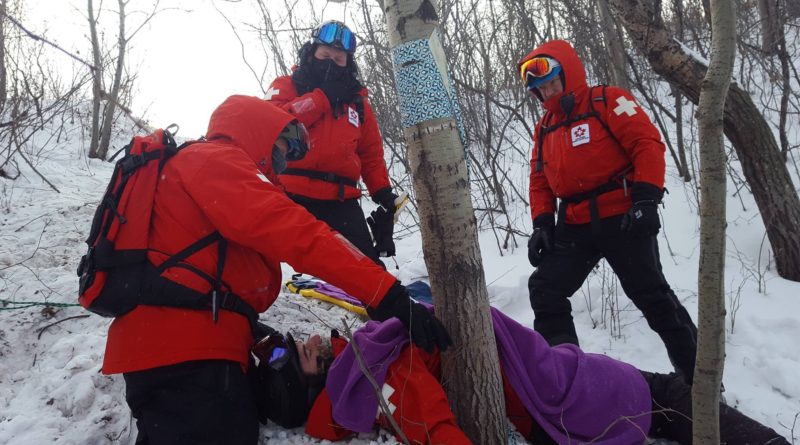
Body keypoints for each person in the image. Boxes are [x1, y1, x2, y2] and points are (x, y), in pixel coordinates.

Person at [100, 95, 450, 445]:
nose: (284, 162)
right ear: (259, 132)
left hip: (184, 348)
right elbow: (303, 237)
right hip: (181, 351)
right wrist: (387, 294)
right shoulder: (216, 162)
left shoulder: (209, 167)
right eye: (283, 147)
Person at [255, 307, 789, 445]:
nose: (311, 340)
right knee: (662, 397)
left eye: (302, 341)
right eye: (306, 355)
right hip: (559, 395)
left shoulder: (362, 360)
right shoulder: (378, 376)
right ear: (313, 384)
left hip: (540, 372)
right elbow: (432, 425)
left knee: (658, 392)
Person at [517, 39, 698, 383]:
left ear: (568, 74)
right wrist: (542, 223)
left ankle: (699, 379)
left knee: (652, 295)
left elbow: (646, 144)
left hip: (623, 217)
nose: (547, 92)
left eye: (551, 83)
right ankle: (564, 377)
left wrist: (646, 200)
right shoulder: (544, 128)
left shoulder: (608, 101)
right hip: (574, 223)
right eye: (540, 89)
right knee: (545, 288)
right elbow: (539, 179)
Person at [266, 20, 402, 267]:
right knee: (264, 264)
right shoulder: (286, 86)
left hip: (340, 201)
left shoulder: (358, 103)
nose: (331, 62)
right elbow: (272, 124)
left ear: (348, 63)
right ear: (312, 53)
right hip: (289, 195)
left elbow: (370, 153)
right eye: (325, 55)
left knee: (368, 270)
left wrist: (382, 192)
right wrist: (322, 98)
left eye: (339, 59)